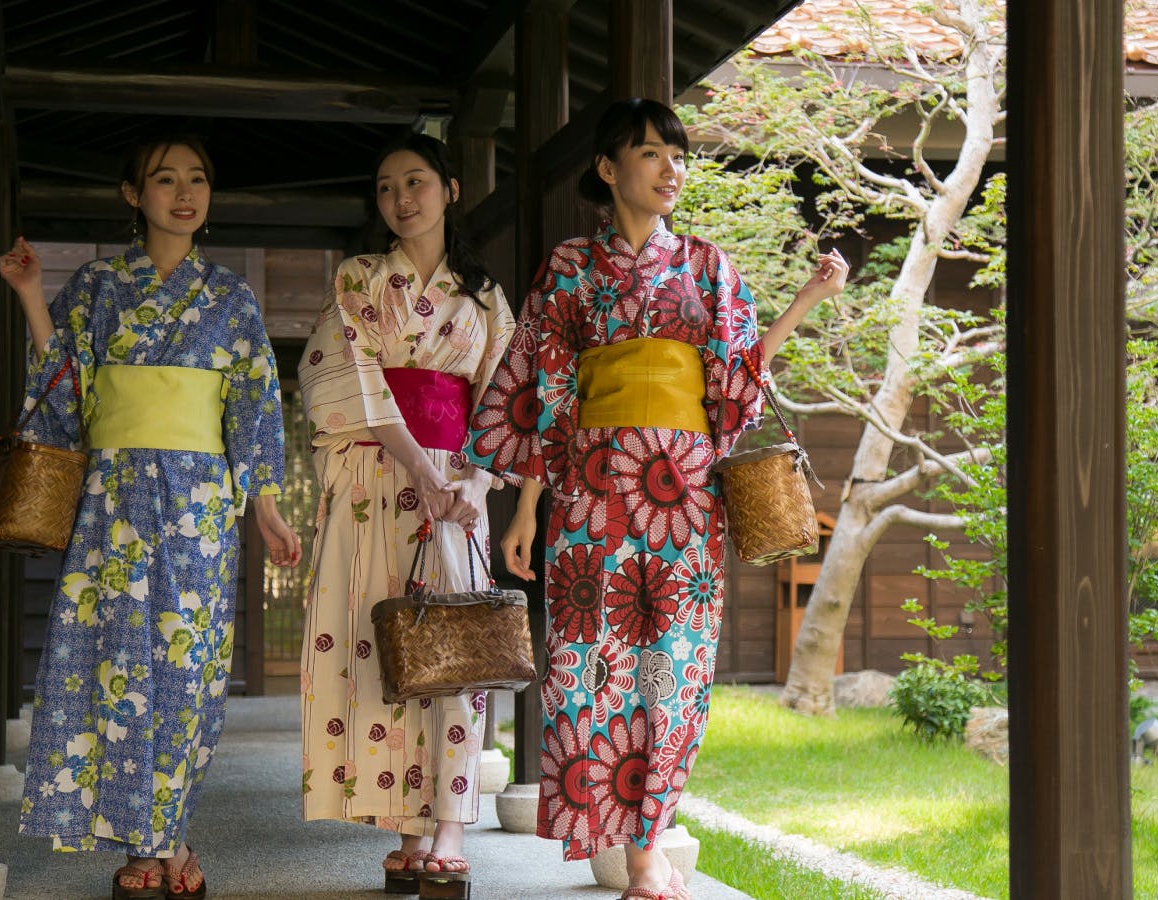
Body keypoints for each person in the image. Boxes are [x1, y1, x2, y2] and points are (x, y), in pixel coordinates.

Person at [466, 97, 848, 899]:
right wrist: (529, 510)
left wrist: (807, 302)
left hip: (684, 494)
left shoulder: (708, 265)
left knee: (673, 666)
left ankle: (647, 850)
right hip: (592, 489)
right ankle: (614, 836)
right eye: (651, 154)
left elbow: (738, 376)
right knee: (589, 665)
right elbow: (547, 398)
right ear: (608, 170)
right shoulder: (570, 268)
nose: (671, 169)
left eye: (679, 156)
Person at [0, 134, 302, 900]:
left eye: (197, 178)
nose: (184, 192)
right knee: (115, 666)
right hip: (113, 496)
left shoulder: (229, 298)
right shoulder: (101, 286)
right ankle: (151, 842)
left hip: (199, 502)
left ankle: (167, 835)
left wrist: (263, 504)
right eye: (164, 179)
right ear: (133, 195)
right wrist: (34, 295)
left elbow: (254, 408)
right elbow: (64, 385)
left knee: (188, 669)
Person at [296, 133, 514, 899]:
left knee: (457, 648)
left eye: (416, 182)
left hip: (456, 483)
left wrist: (480, 484)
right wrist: (422, 469)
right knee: (383, 642)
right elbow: (346, 375)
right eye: (387, 188)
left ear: (451, 189)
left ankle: (449, 826)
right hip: (375, 474)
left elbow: (505, 395)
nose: (401, 199)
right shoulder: (360, 276)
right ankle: (405, 824)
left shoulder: (483, 292)